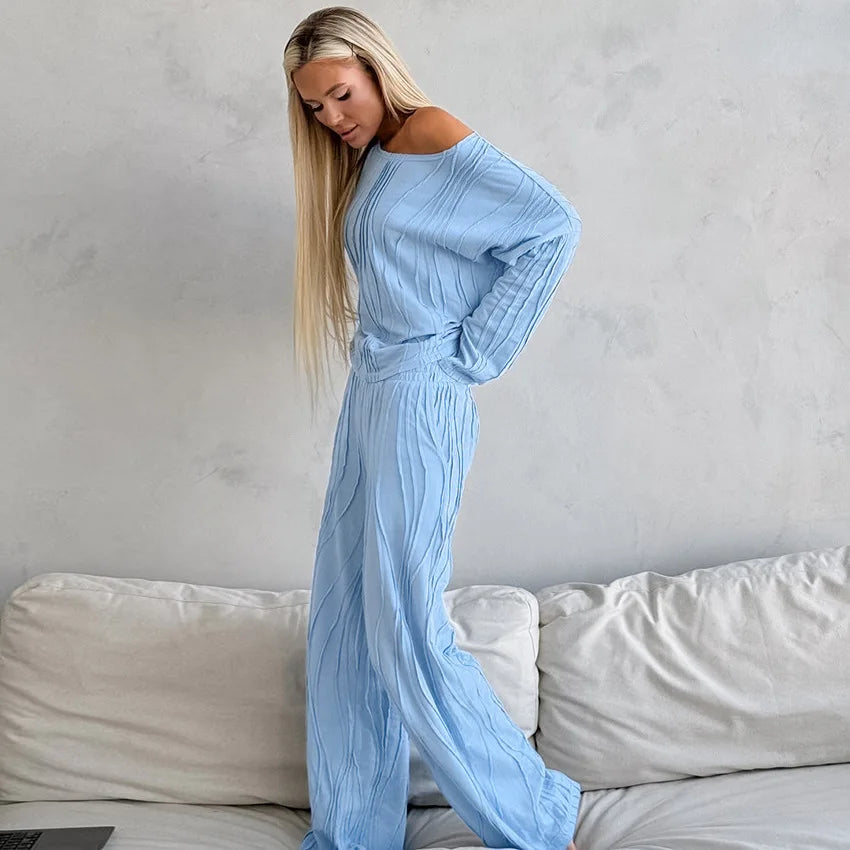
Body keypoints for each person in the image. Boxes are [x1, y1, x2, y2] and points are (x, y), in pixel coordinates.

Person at [283, 7, 583, 850]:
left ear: (376, 70)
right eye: (314, 107)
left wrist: (475, 352)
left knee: (405, 623)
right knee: (346, 619)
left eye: (341, 95)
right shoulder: (374, 158)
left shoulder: (429, 131)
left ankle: (536, 820)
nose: (331, 117)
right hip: (372, 387)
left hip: (419, 392)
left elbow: (551, 226)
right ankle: (353, 834)